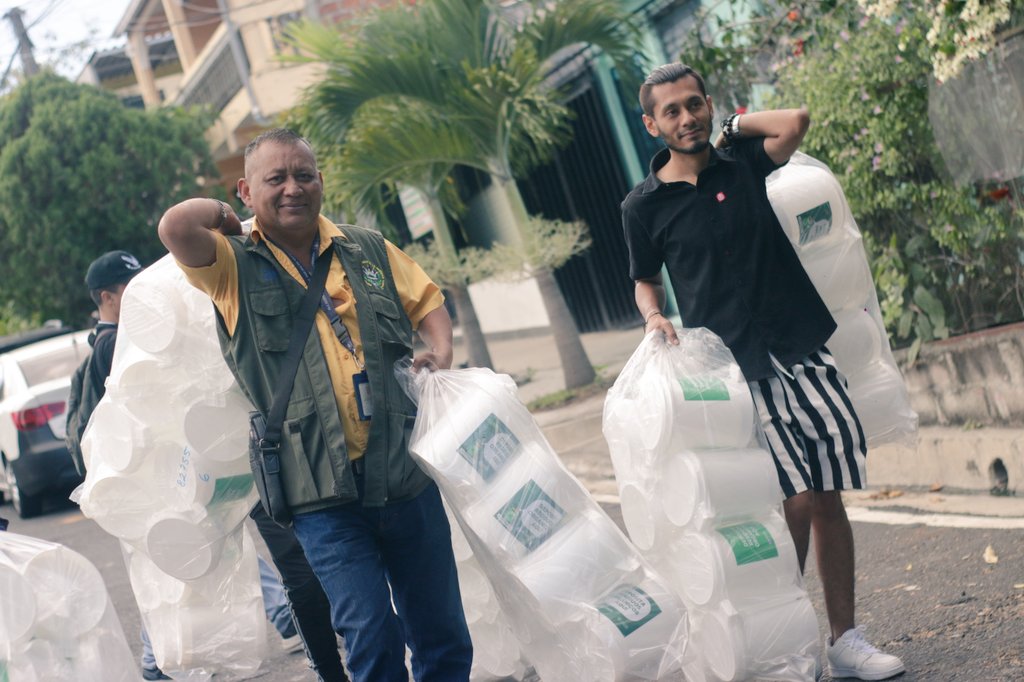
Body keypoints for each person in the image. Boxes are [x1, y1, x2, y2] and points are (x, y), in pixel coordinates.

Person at [621, 63, 906, 681]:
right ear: (651, 124)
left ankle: (846, 640)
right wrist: (653, 319)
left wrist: (732, 126)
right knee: (788, 501)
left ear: (709, 106)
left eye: (694, 104)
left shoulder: (742, 160)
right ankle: (789, 640)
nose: (686, 117)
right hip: (731, 371)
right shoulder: (642, 206)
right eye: (670, 111)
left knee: (826, 491)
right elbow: (646, 281)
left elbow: (795, 121)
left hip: (801, 344)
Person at [157, 128, 473, 682]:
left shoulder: (368, 248)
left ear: (320, 181)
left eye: (303, 175)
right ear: (246, 191)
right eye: (273, 179)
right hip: (320, 498)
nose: (292, 189)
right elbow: (175, 227)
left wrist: (440, 349)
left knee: (441, 630)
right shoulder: (231, 266)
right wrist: (226, 218)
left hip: (404, 475)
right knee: (371, 632)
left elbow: (428, 300)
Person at [69, 251, 346, 681]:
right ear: (106, 296)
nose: (141, 292)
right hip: (194, 469)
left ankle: (287, 628)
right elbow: (142, 419)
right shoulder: (116, 345)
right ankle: (159, 661)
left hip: (216, 457)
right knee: (189, 564)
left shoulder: (151, 331)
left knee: (205, 558)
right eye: (129, 287)